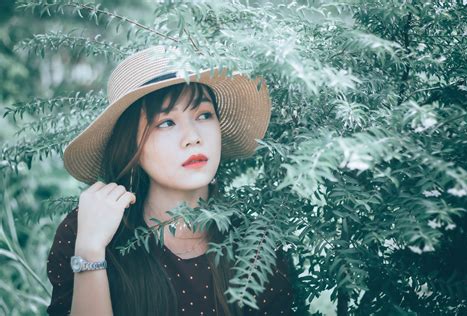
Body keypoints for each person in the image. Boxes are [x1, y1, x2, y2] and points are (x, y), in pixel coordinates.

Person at [46, 45, 295, 315]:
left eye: (204, 115)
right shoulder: (88, 227)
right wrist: (91, 251)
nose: (193, 137)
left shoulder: (257, 240)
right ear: (131, 146)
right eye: (166, 122)